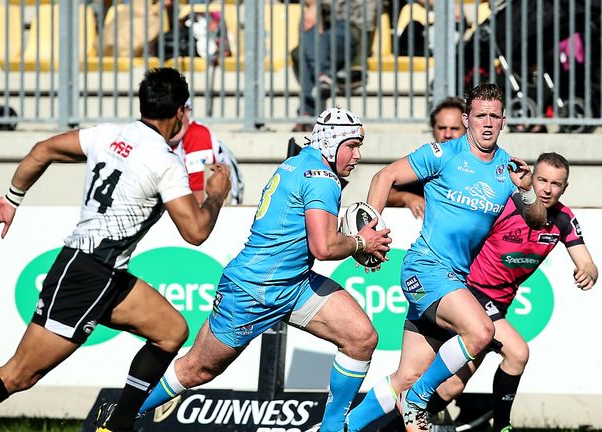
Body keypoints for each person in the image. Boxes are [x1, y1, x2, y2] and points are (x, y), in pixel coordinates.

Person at [0, 67, 232, 432]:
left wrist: (12, 200)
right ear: (181, 112)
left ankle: (117, 425)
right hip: (86, 275)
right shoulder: (164, 161)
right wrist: (217, 191)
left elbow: (43, 150)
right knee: (19, 375)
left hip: (106, 273)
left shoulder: (108, 134)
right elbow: (196, 232)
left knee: (170, 330)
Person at [96, 107, 392, 432]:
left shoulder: (301, 162)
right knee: (198, 369)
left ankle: (333, 428)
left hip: (292, 285)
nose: (358, 155)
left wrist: (355, 241)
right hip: (253, 290)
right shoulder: (322, 180)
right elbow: (323, 247)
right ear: (332, 143)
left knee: (361, 338)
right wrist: (361, 243)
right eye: (352, 145)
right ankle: (119, 415)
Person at [343, 82, 547, 432]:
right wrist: (370, 231)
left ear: (503, 121)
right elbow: (384, 175)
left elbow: (537, 221)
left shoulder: (508, 168)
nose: (487, 123)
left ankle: (340, 429)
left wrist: (526, 189)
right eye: (480, 115)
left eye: (494, 116)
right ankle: (418, 401)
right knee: (480, 332)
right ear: (467, 119)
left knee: (405, 377)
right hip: (426, 269)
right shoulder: (444, 154)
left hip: (453, 280)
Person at [422, 152, 598, 432]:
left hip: (498, 304)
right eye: (541, 180)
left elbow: (587, 262)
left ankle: (395, 424)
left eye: (556, 183)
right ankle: (502, 426)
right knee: (517, 352)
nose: (547, 189)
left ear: (565, 187)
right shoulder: (504, 205)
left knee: (453, 386)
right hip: (470, 293)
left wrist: (588, 272)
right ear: (531, 179)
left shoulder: (564, 219)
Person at [290, 0, 377, 131]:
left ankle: (306, 113)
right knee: (303, 47)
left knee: (307, 49)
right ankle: (323, 77)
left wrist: (317, 6)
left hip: (351, 32)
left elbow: (363, 21)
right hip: (326, 37)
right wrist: (315, 7)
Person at [387, 96, 467, 218]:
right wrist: (407, 197)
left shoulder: (483, 163)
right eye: (441, 128)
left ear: (468, 130)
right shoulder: (424, 163)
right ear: (433, 130)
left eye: (454, 128)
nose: (447, 134)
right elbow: (386, 193)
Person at [169, 100, 244, 205]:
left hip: (220, 211)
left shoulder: (197, 135)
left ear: (186, 111)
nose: (171, 121)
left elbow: (199, 198)